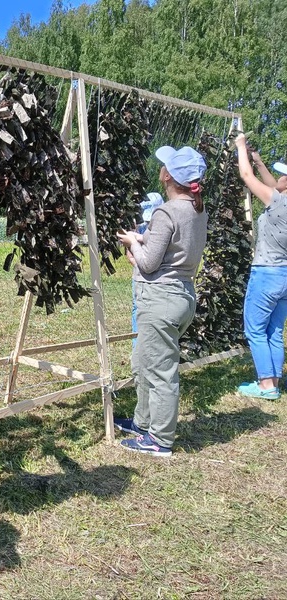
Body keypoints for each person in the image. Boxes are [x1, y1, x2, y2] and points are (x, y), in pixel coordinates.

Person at [115, 146, 208, 457]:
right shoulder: (196, 209)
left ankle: (160, 440)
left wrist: (132, 243)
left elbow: (150, 263)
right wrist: (144, 240)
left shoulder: (165, 212)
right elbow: (173, 249)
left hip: (160, 299)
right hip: (181, 295)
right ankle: (142, 422)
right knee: (144, 362)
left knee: (161, 371)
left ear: (168, 176)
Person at [233, 134, 287, 399]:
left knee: (254, 328)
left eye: (282, 176)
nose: (278, 178)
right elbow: (270, 184)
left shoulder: (278, 203)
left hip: (267, 273)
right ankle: (274, 381)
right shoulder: (281, 199)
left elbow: (246, 176)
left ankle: (266, 385)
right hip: (286, 277)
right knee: (274, 330)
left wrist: (241, 148)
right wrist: (259, 161)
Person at [131, 192, 165, 340]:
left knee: (160, 310)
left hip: (162, 276)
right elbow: (130, 255)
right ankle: (137, 343)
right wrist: (144, 267)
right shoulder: (138, 226)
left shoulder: (166, 226)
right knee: (138, 308)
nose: (147, 223)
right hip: (141, 274)